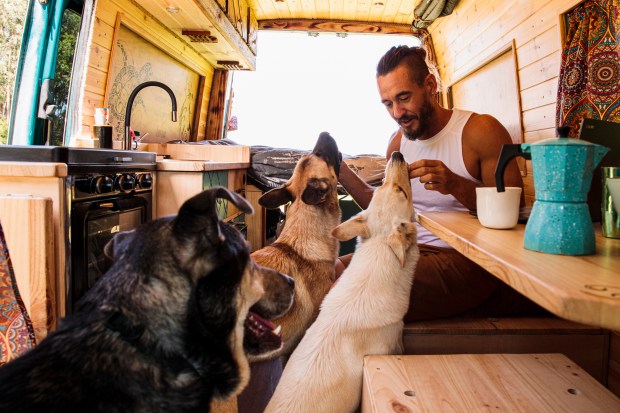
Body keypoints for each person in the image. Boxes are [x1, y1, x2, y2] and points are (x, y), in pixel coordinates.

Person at [337, 45, 546, 322]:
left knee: (350, 290)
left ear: (430, 85)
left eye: (404, 98)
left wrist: (454, 184)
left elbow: (514, 208)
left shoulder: (479, 131)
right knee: (330, 271)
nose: (397, 112)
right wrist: (338, 168)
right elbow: (382, 210)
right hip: (409, 251)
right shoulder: (397, 144)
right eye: (388, 104)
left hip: (466, 259)